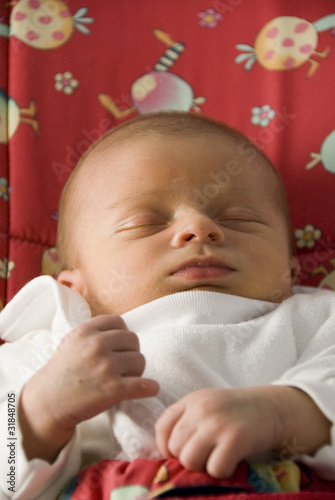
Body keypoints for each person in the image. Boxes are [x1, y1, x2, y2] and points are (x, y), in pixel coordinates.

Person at [1, 111, 335, 500]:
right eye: (145, 223)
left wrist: (288, 414)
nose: (199, 227)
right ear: (79, 289)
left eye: (240, 219)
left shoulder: (312, 318)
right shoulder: (56, 346)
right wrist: (41, 413)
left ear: (291, 270)